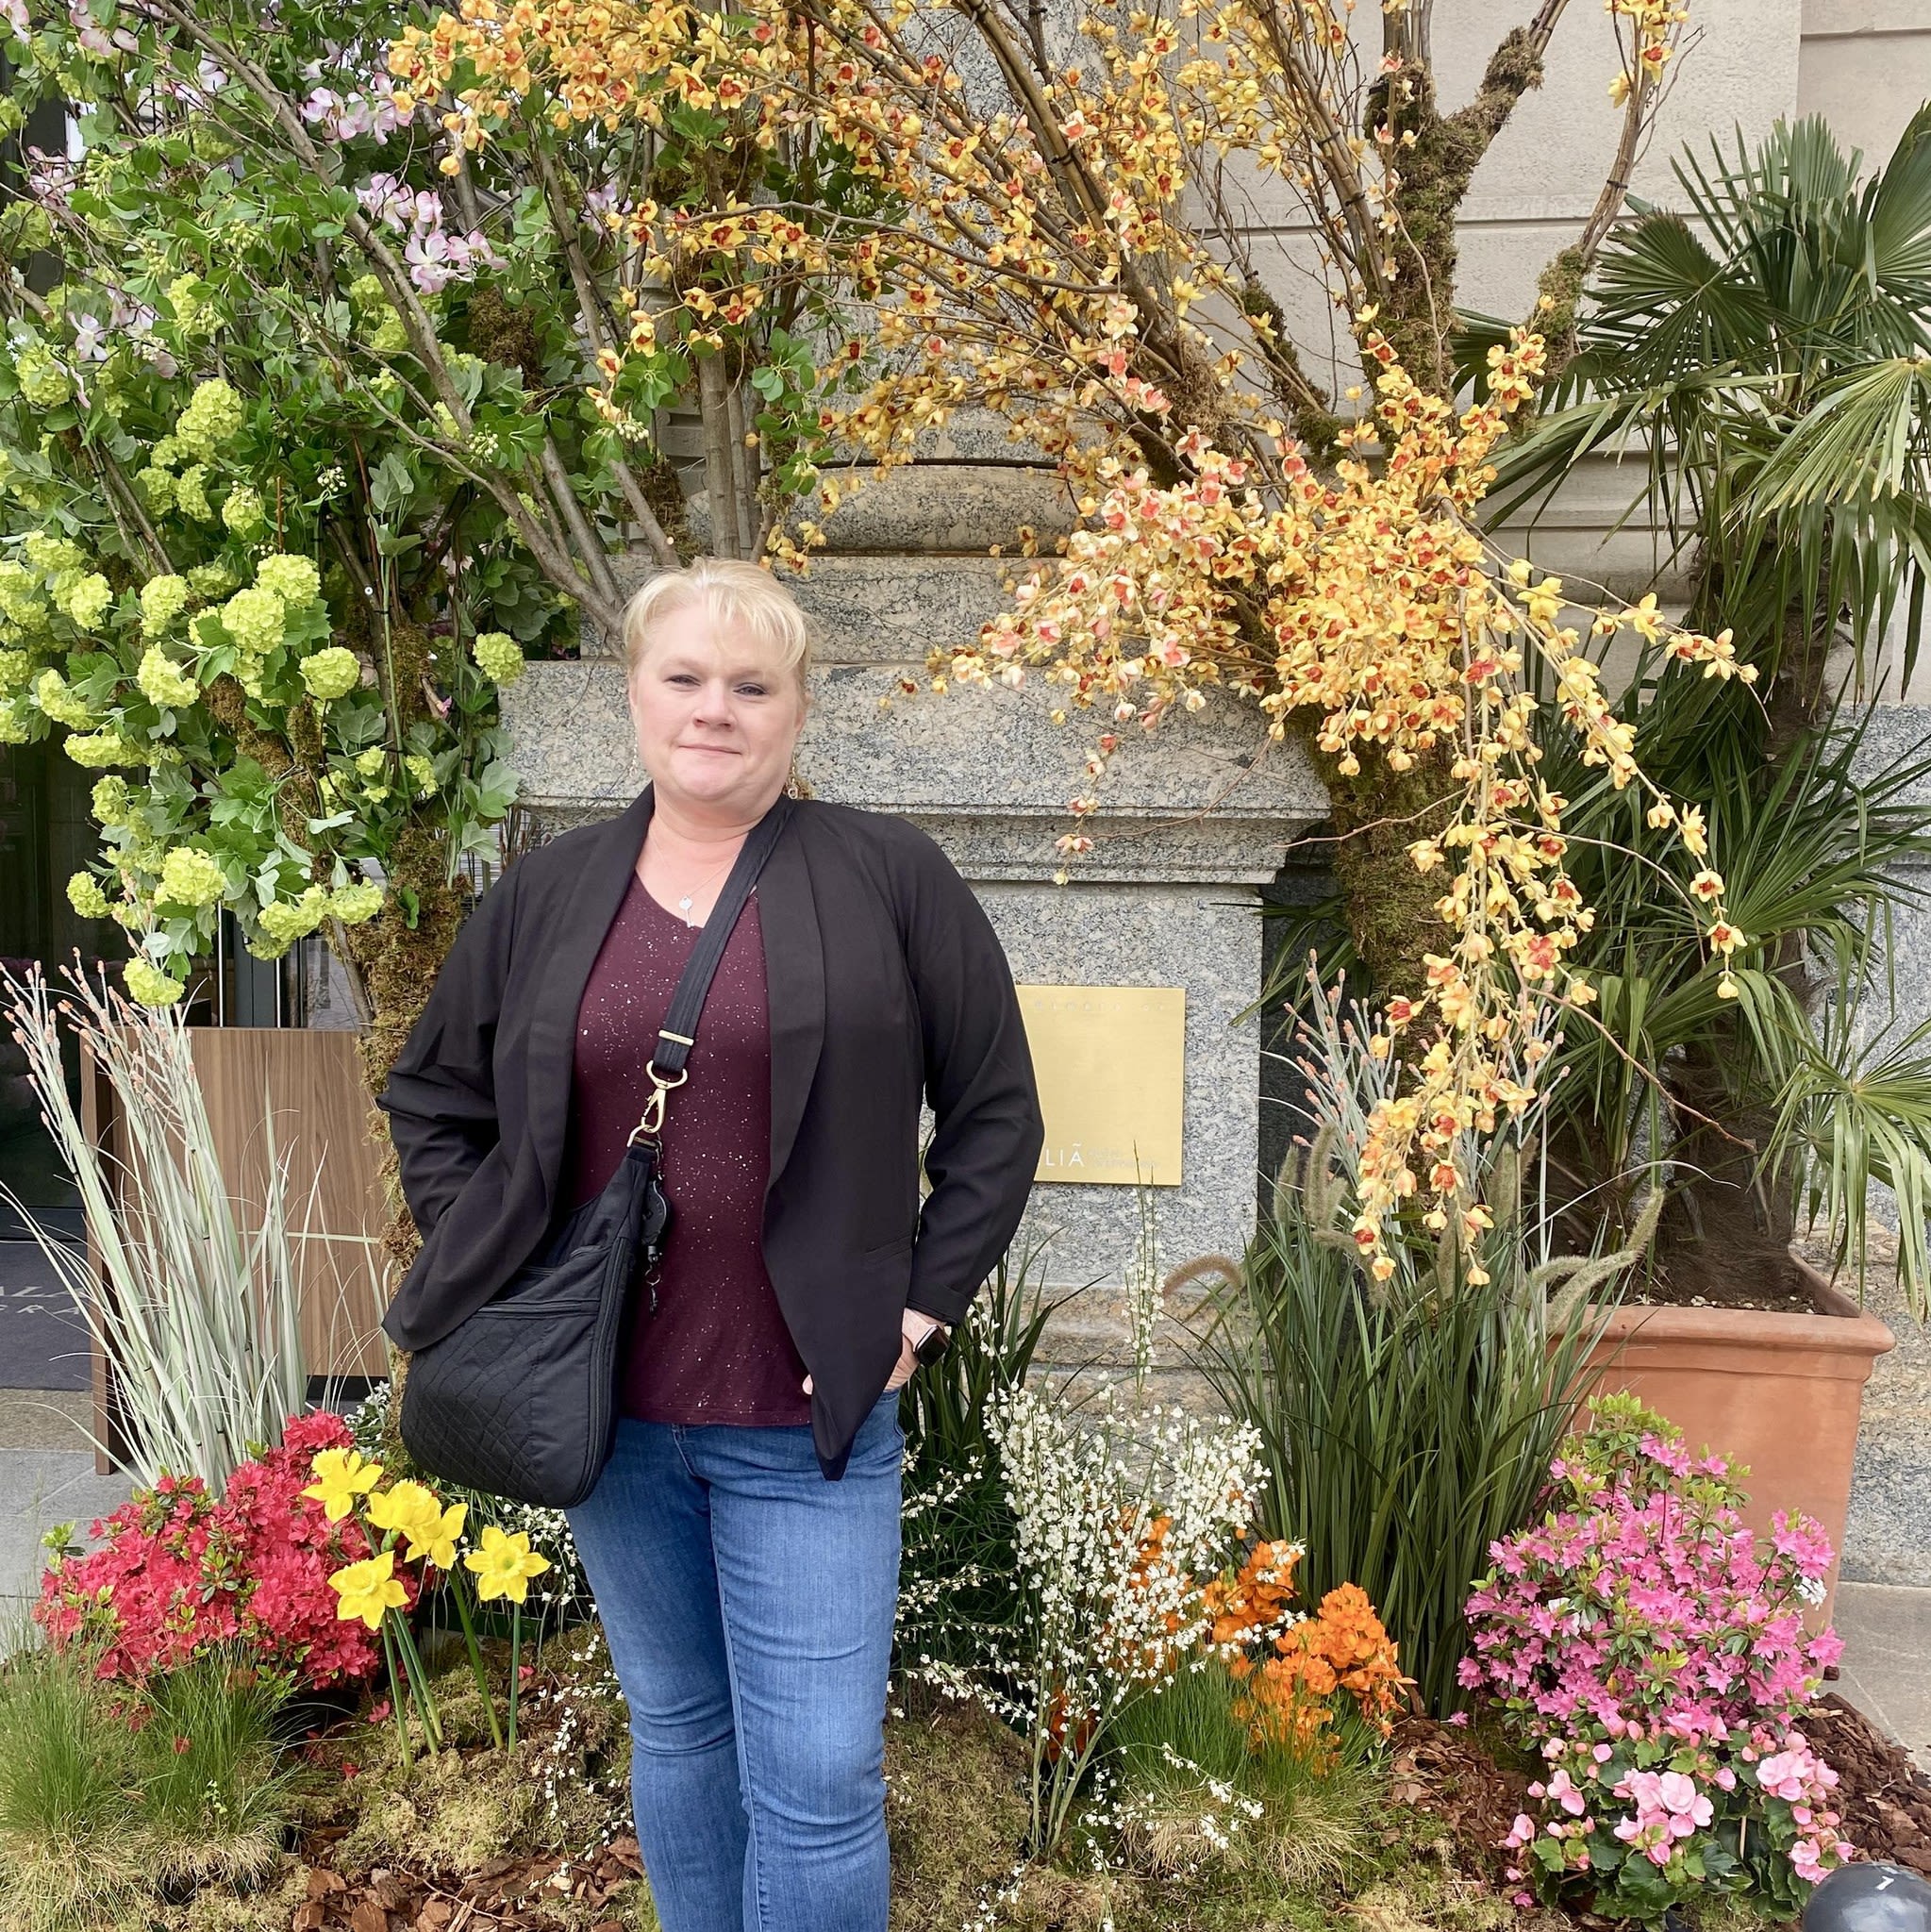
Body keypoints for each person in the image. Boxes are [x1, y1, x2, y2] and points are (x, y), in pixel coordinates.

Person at [377, 558, 1044, 1932]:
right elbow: (433, 1096)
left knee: (816, 1775)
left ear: (800, 710)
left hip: (807, 1416)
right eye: (684, 678)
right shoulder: (554, 892)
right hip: (610, 1412)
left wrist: (917, 1312)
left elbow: (996, 1116)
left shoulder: (887, 878)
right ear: (635, 693)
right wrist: (499, 1258)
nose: (715, 710)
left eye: (752, 685)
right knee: (681, 1735)